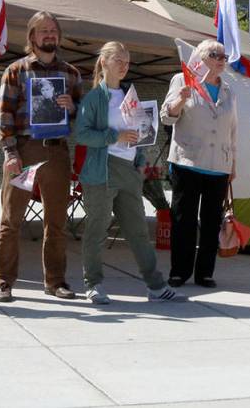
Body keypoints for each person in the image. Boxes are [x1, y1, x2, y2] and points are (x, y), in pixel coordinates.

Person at [74, 42, 184, 304]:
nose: (124, 66)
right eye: (119, 61)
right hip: (102, 170)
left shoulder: (129, 95)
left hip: (129, 169)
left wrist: (140, 160)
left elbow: (140, 135)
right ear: (104, 62)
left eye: (127, 62)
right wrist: (116, 135)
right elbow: (82, 134)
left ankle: (156, 286)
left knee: (137, 230)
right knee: (97, 228)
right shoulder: (94, 98)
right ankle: (94, 283)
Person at [0, 11, 83, 303]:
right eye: (43, 31)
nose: (49, 35)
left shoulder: (71, 73)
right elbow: (4, 115)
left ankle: (55, 281)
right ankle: (4, 281)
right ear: (31, 37)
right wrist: (10, 152)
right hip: (24, 150)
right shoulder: (16, 71)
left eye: (53, 30)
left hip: (57, 151)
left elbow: (82, 119)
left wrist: (73, 108)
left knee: (57, 221)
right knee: (11, 219)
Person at [161, 40, 237, 288]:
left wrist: (232, 163)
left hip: (219, 164)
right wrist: (181, 100)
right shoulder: (182, 80)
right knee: (184, 220)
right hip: (188, 161)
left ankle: (205, 272)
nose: (222, 60)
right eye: (216, 55)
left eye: (224, 56)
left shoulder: (228, 90)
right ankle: (179, 271)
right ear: (201, 57)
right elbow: (167, 116)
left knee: (212, 221)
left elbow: (232, 129)